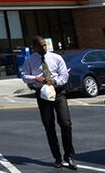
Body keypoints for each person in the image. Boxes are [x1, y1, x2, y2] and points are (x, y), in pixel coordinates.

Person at [22, 36, 76, 170]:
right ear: (34, 47)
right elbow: (24, 76)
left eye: (45, 45)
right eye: (40, 46)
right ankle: (57, 158)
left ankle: (69, 155)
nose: (44, 48)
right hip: (43, 94)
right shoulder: (30, 60)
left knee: (65, 123)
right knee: (49, 126)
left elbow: (64, 76)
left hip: (58, 93)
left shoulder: (56, 58)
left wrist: (55, 81)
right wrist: (36, 78)